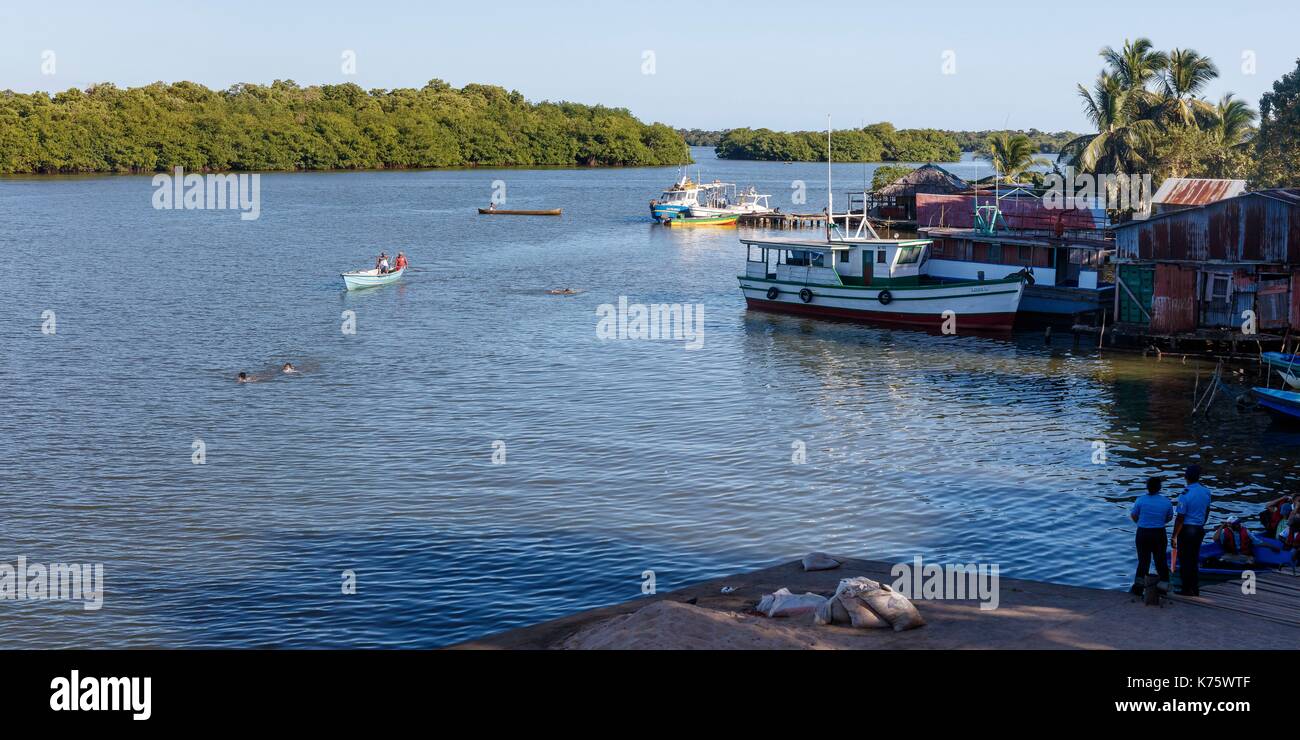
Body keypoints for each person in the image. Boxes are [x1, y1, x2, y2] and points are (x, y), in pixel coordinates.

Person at [1173, 464, 1212, 596]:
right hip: (1199, 529)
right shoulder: (1206, 492)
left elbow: (1180, 517)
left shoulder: (1185, 494)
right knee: (1194, 559)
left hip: (1187, 529)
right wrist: (1202, 523)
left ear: (1186, 477)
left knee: (1184, 559)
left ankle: (1186, 588)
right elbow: (1207, 510)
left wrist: (1174, 535)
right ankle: (1195, 588)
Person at [1130, 477, 1173, 596]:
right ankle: (1163, 589)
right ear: (1160, 488)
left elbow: (1134, 515)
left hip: (1143, 533)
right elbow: (1169, 517)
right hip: (1159, 533)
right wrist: (1159, 522)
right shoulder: (1166, 501)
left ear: (1147, 487)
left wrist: (1141, 523)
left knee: (1143, 562)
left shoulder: (1140, 500)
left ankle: (1138, 589)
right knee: (1161, 562)